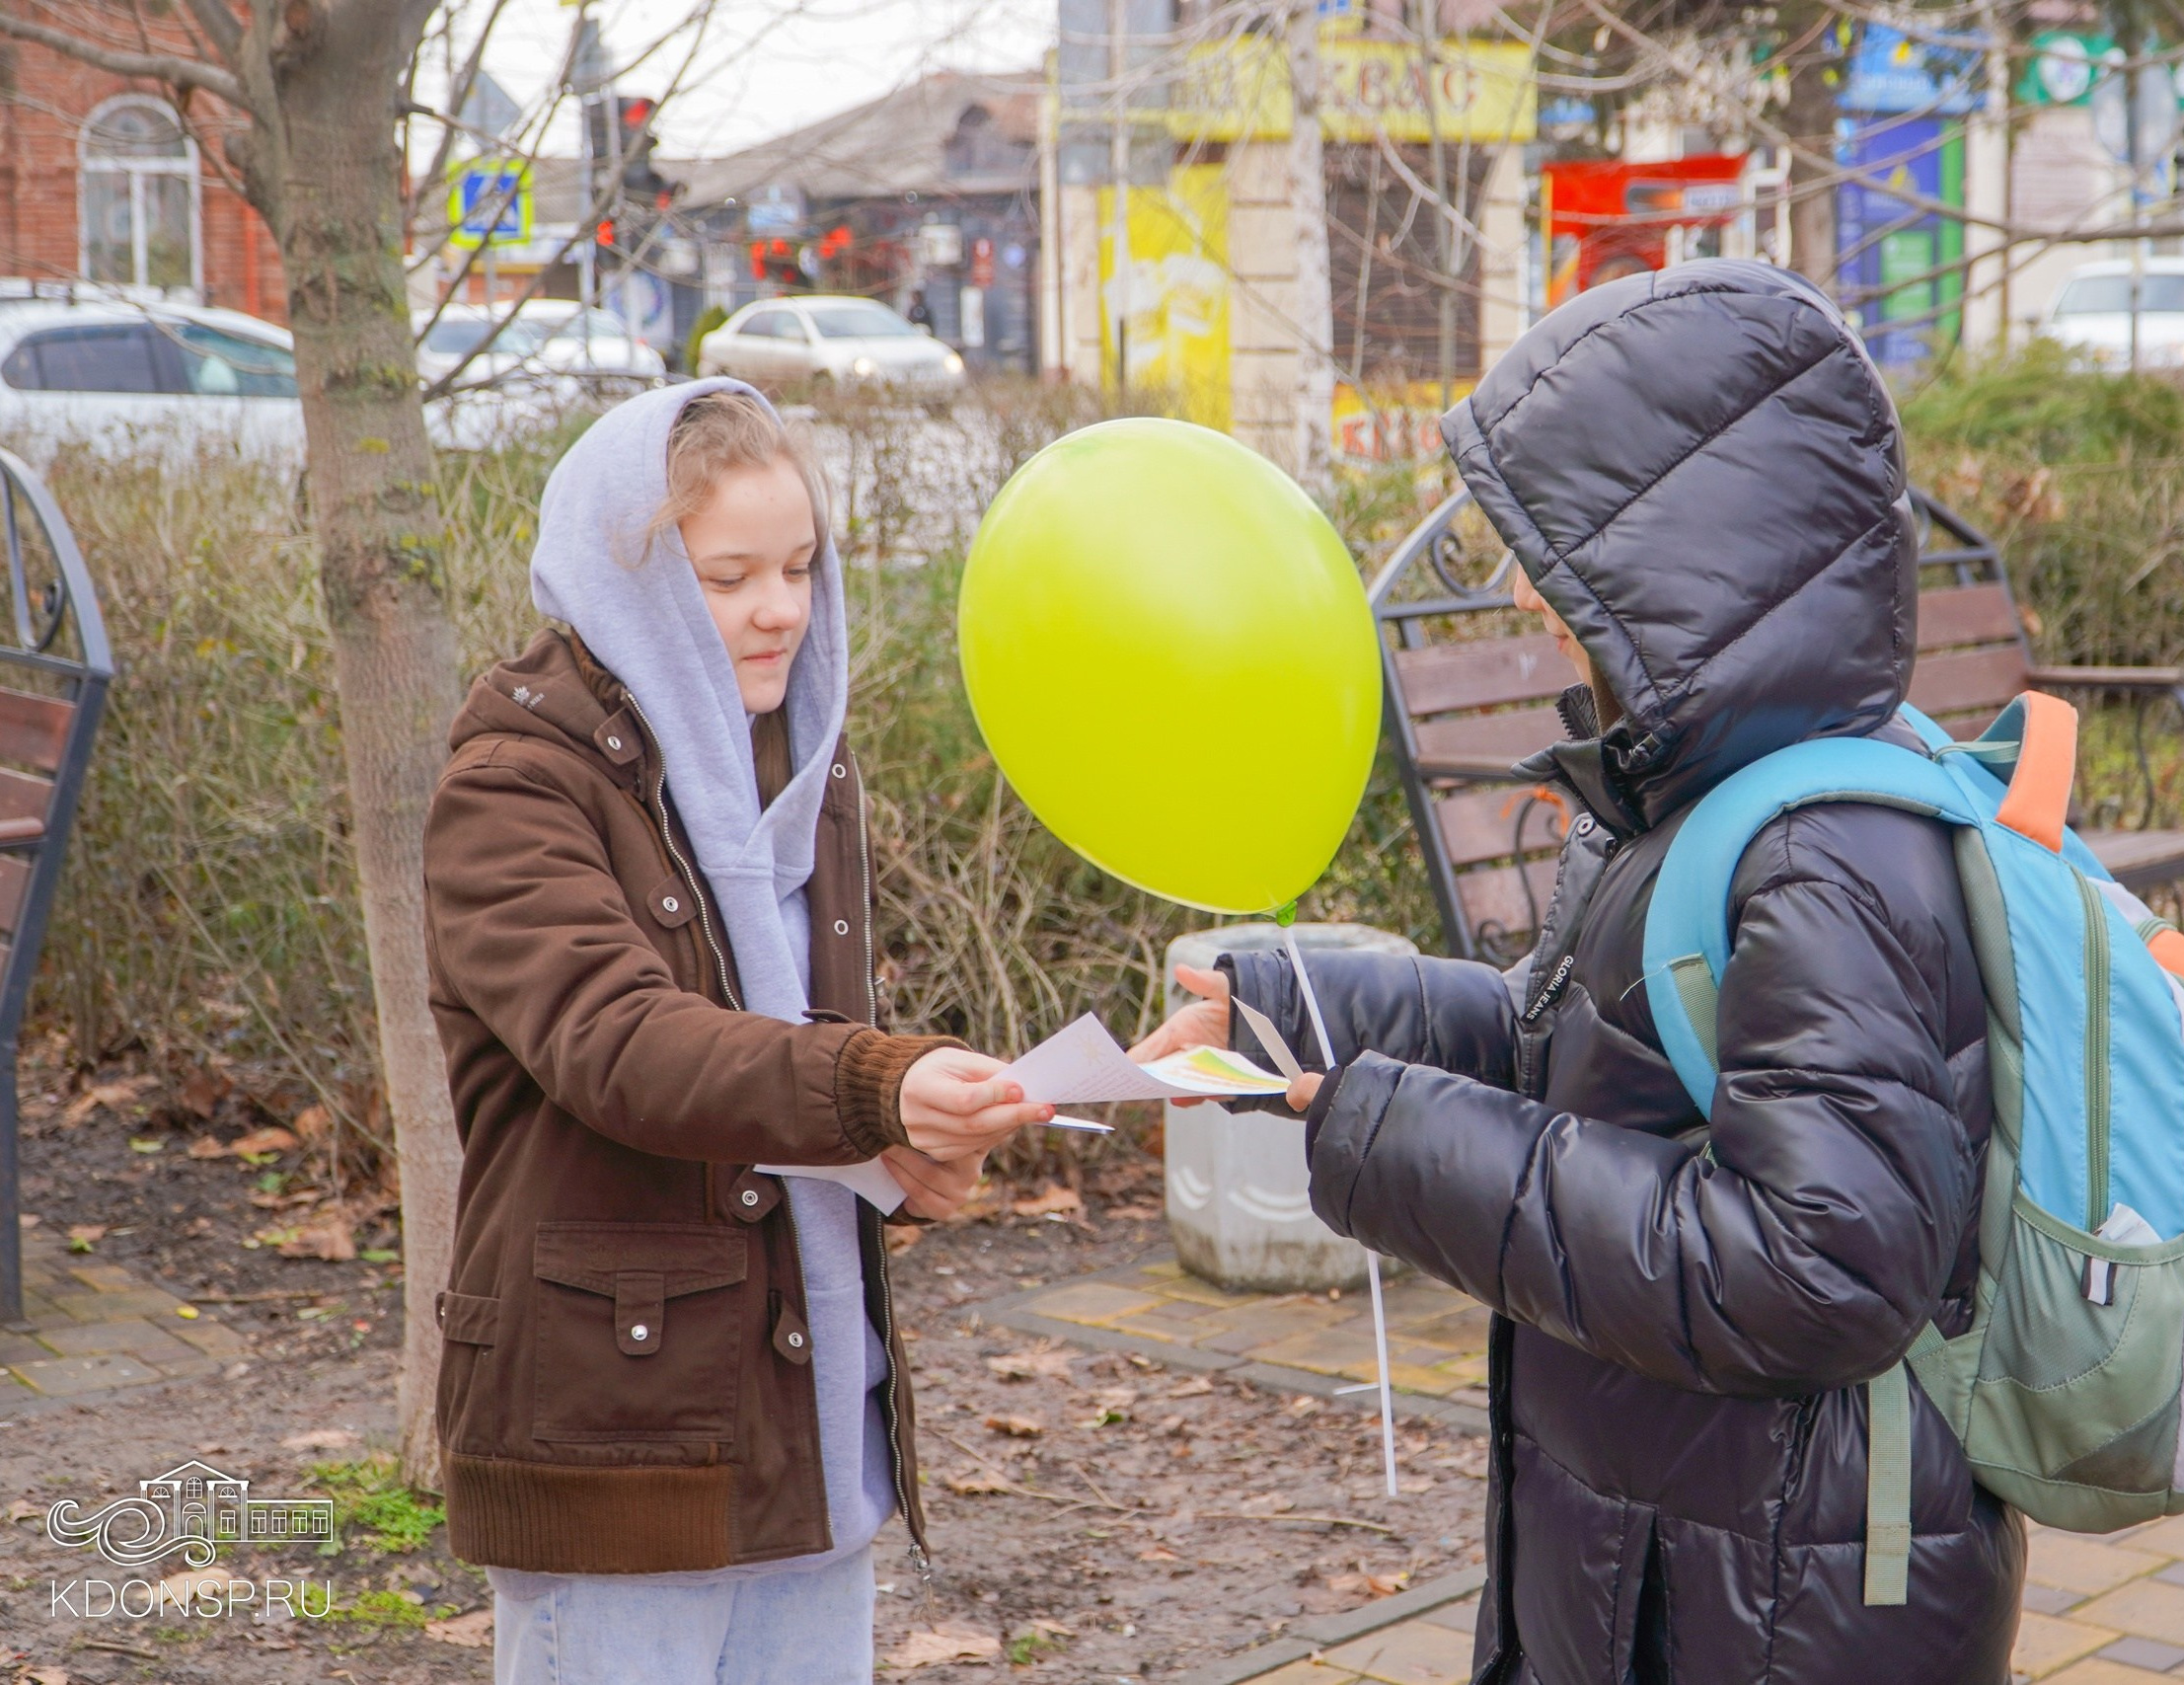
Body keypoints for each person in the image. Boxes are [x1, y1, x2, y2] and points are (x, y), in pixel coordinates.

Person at [1132, 262, 2021, 1682]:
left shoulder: (1825, 853)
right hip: (1662, 1545)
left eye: (1567, 572)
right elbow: (1591, 1052)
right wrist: (1305, 1017)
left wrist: (1383, 1135)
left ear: (1689, 574)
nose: (1544, 609)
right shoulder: (1691, 794)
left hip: (1770, 1596)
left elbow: (1812, 1273)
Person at [421, 381, 1049, 1684]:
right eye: (729, 577)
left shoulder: (796, 766)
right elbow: (623, 1045)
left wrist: (905, 1162)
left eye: (800, 567)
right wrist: (880, 1085)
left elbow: (795, 1064)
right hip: (611, 1429)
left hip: (802, 1416)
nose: (780, 609)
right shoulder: (512, 784)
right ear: (630, 582)